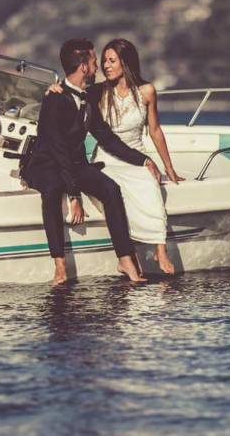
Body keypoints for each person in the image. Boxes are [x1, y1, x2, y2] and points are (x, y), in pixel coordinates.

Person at [20, 38, 161, 285]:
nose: (98, 67)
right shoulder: (54, 99)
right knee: (53, 189)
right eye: (95, 62)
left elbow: (106, 137)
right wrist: (74, 196)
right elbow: (58, 150)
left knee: (110, 188)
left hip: (73, 164)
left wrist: (143, 160)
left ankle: (126, 258)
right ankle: (60, 266)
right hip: (45, 163)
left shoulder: (88, 96)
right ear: (84, 66)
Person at [50, 38, 184, 275]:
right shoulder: (98, 92)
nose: (106, 66)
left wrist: (168, 167)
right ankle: (129, 254)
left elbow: (155, 131)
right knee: (114, 188)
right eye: (103, 61)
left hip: (135, 154)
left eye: (112, 61)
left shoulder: (147, 91)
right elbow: (71, 88)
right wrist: (53, 88)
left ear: (126, 62)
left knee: (148, 181)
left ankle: (160, 249)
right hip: (108, 156)